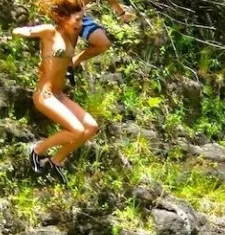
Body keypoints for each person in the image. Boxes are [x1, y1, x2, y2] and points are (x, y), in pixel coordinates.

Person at [12, 0, 98, 184]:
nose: (80, 24)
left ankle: (56, 161)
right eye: (77, 20)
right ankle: (37, 149)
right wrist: (20, 32)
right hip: (45, 94)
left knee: (91, 127)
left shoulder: (71, 38)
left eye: (82, 20)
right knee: (76, 130)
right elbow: (26, 31)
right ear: (63, 18)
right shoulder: (49, 32)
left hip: (59, 95)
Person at [66, 0, 136, 86]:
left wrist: (122, 13)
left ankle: (72, 63)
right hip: (64, 12)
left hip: (78, 15)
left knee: (103, 43)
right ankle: (66, 66)